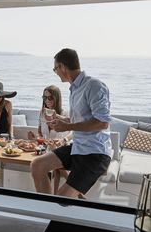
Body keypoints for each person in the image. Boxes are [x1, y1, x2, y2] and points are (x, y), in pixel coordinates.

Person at [30, 48, 111, 199]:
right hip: (78, 148)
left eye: (55, 68)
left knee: (62, 199)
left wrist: (67, 127)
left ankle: (56, 211)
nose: (55, 72)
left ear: (62, 67)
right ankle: (47, 209)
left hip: (95, 153)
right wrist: (60, 119)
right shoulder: (74, 88)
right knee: (37, 165)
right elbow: (78, 120)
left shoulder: (94, 85)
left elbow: (102, 122)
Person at [28, 85, 72, 195]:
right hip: (46, 146)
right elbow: (40, 132)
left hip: (61, 145)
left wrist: (64, 140)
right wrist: (35, 137)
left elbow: (73, 132)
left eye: (50, 98)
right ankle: (56, 194)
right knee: (51, 161)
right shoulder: (42, 113)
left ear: (57, 98)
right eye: (44, 98)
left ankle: (51, 195)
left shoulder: (64, 113)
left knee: (56, 162)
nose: (47, 100)